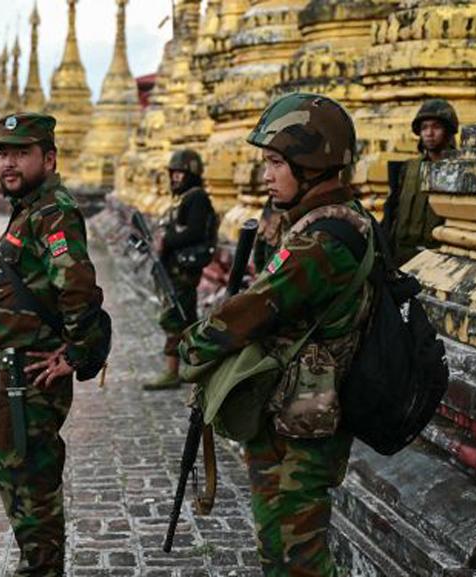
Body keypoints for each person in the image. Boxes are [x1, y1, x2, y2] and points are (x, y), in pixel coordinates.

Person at [182, 93, 375, 576]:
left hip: (301, 426)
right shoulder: (336, 220)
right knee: (284, 549)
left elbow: (247, 312)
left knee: (294, 557)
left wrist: (191, 346)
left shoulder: (322, 240)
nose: (264, 175)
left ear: (311, 163)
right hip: (296, 412)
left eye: (274, 163)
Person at [0, 112, 107, 576]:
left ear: (49, 158)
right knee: (19, 485)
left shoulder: (53, 211)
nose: (9, 164)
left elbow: (77, 286)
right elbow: (36, 290)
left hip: (29, 380)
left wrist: (74, 354)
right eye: (4, 154)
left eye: (21, 153)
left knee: (30, 488)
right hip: (11, 373)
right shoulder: (31, 209)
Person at [144, 149, 217, 391]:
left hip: (183, 270)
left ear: (192, 173)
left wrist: (167, 240)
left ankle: (172, 371)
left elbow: (195, 231)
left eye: (180, 173)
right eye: (173, 173)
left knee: (174, 318)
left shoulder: (196, 198)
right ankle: (197, 366)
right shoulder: (183, 198)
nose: (175, 178)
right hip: (174, 269)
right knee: (186, 319)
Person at [383, 98, 459, 265]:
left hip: (438, 259)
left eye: (436, 127)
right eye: (424, 128)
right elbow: (393, 210)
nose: (429, 133)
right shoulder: (408, 168)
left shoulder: (458, 169)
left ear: (448, 131)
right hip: (401, 256)